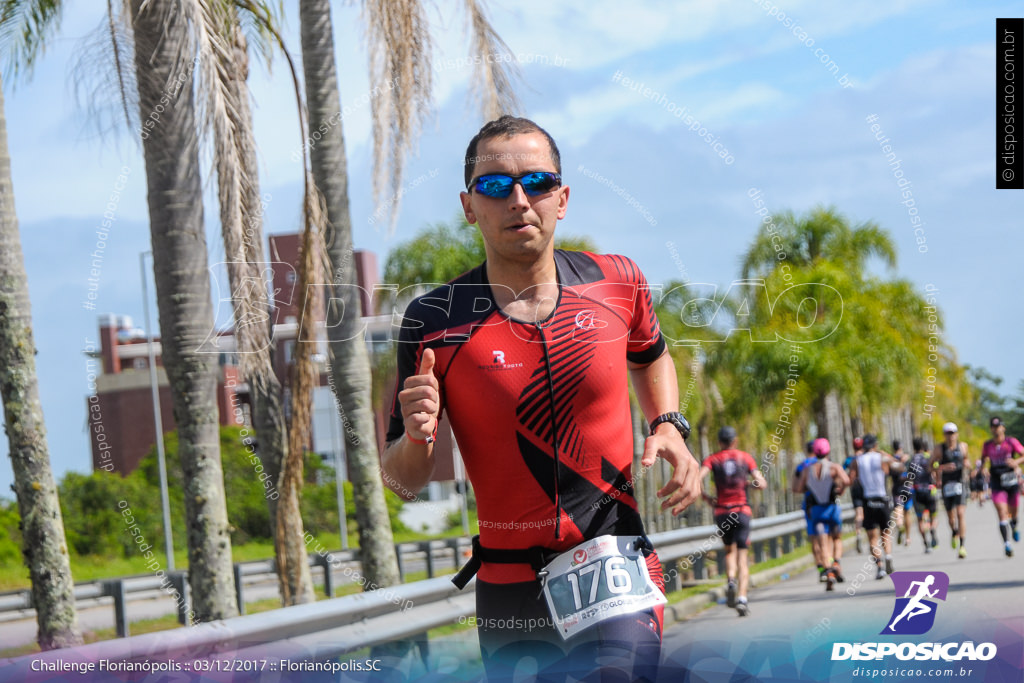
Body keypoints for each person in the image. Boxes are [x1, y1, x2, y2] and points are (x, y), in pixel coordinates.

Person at [381, 115, 701, 682]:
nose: (520, 200)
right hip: (509, 586)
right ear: (469, 205)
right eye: (496, 186)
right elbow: (404, 482)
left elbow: (650, 355)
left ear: (563, 198)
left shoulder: (616, 282)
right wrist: (415, 434)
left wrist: (669, 423)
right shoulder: (433, 321)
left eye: (538, 182)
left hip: (612, 556)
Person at [700, 426, 767, 616]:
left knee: (729, 552)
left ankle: (730, 581)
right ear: (735, 440)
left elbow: (697, 478)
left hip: (722, 512)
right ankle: (742, 599)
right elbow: (761, 483)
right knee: (743, 558)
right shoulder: (745, 458)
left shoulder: (712, 459)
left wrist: (706, 497)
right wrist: (749, 484)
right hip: (741, 511)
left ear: (720, 442)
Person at [795, 437, 850, 591]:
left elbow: (799, 488)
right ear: (827, 450)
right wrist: (840, 490)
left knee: (822, 542)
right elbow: (846, 480)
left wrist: (811, 487)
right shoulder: (834, 467)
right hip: (832, 508)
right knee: (837, 538)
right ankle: (836, 562)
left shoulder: (807, 469)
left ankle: (828, 572)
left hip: (816, 510)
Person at [849, 434, 900, 579]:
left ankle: (880, 566)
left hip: (868, 501)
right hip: (882, 499)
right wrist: (887, 456)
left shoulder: (857, 461)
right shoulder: (881, 458)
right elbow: (898, 466)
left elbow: (851, 479)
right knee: (885, 533)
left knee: (872, 537)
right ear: (875, 445)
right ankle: (888, 557)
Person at [977, 416, 1024, 557]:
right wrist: (982, 468)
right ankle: (1007, 544)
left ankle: (1014, 525)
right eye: (994, 427)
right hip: (997, 482)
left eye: (999, 427)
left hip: (1011, 481)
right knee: (1002, 512)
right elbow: (983, 459)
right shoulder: (987, 445)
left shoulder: (1011, 442)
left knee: (1013, 512)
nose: (996, 430)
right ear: (991, 429)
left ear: (1003, 428)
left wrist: (1016, 462)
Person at [930, 422, 969, 559]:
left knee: (960, 514)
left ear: (956, 434)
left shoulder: (963, 446)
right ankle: (954, 531)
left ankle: (962, 546)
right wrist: (942, 467)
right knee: (951, 518)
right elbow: (931, 466)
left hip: (960, 484)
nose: (950, 436)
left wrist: (966, 465)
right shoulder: (939, 449)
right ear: (944, 435)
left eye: (952, 433)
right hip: (947, 485)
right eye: (948, 433)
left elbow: (966, 460)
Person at [793, 439, 828, 581]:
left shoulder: (802, 466)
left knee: (814, 538)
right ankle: (829, 565)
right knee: (827, 537)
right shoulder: (824, 462)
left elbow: (795, 487)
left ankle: (821, 568)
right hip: (826, 504)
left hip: (809, 505)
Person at [907, 437, 939, 552]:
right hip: (930, 490)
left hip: (917, 492)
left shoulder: (912, 460)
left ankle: (926, 544)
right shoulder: (929, 457)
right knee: (933, 516)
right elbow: (935, 471)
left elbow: (909, 478)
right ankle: (933, 529)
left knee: (920, 519)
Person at [844, 436, 866, 553]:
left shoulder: (849, 460)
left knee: (858, 513)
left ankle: (858, 534)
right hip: (867, 488)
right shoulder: (865, 457)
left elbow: (843, 474)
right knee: (867, 514)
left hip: (855, 488)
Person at [890, 439, 913, 547]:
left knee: (898, 510)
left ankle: (899, 525)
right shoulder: (907, 458)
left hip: (897, 489)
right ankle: (908, 538)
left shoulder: (891, 460)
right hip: (908, 488)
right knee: (907, 513)